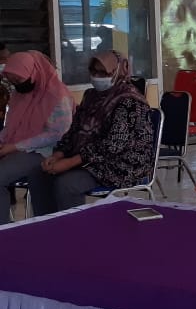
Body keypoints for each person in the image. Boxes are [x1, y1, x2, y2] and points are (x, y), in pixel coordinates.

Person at [26, 51, 156, 215]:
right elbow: (74, 130)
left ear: (118, 71)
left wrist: (70, 162)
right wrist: (58, 155)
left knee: (67, 184)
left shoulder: (130, 101)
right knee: (39, 174)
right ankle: (47, 225)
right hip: (88, 158)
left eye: (103, 73)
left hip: (121, 163)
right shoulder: (90, 96)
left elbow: (113, 145)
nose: (97, 76)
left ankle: (73, 229)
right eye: (94, 71)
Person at [0, 51, 75, 221]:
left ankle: (3, 230)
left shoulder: (57, 96)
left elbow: (57, 135)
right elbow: (11, 126)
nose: (16, 84)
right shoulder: (19, 95)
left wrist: (14, 147)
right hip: (19, 148)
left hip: (46, 152)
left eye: (18, 79)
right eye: (12, 81)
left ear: (33, 72)